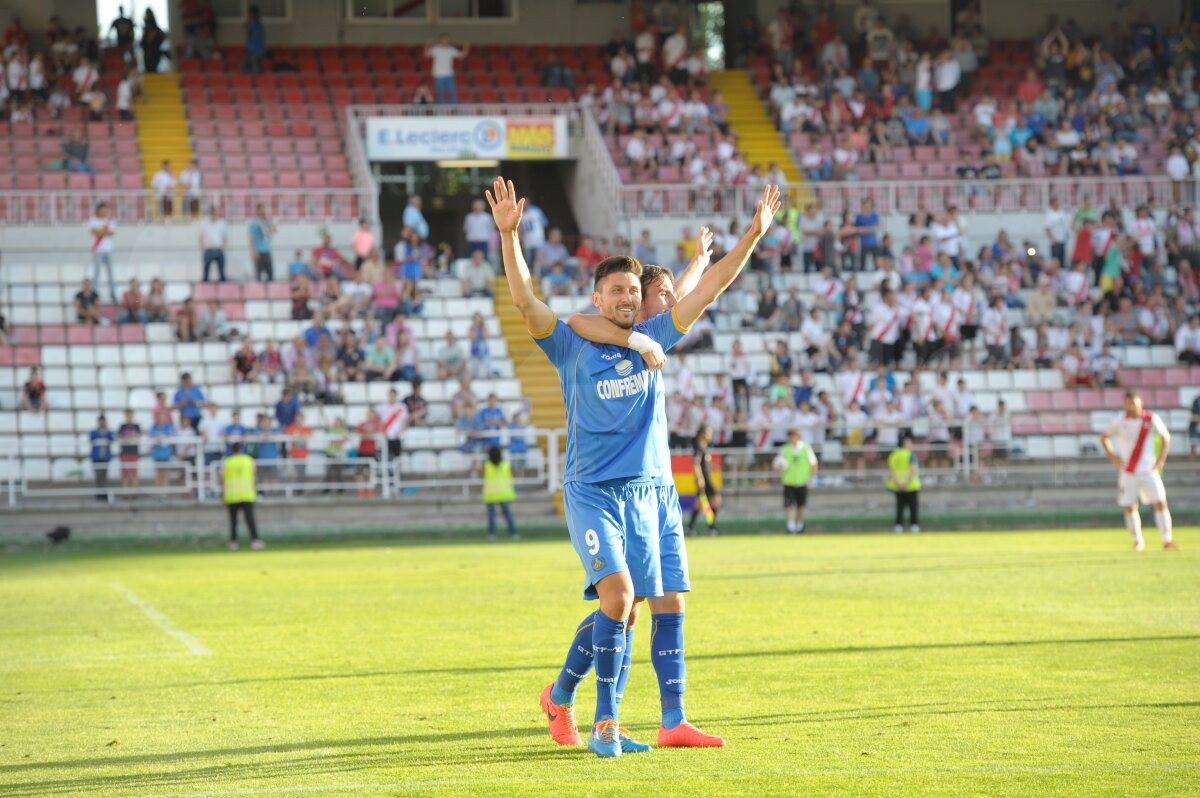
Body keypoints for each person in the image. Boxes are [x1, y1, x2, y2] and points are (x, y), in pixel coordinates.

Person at [489, 178, 776, 756]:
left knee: (657, 603)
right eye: (615, 290)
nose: (624, 297)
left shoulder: (653, 334)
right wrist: (510, 235)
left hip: (651, 494)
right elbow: (525, 300)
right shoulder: (571, 343)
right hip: (594, 491)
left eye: (630, 291)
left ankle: (639, 716)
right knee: (619, 601)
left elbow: (712, 286)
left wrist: (751, 235)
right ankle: (602, 722)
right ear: (598, 298)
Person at [1099, 391, 1177, 552]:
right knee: (1130, 506)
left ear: (1140, 402)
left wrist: (1161, 459)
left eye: (1133, 402)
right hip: (1128, 470)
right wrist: (1113, 457)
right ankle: (1137, 541)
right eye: (1127, 403)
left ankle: (1167, 540)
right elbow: (1104, 436)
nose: (1130, 406)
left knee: (1161, 502)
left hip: (1148, 470)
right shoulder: (1119, 421)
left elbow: (1165, 437)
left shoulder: (1151, 419)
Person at [775, 427, 819, 534]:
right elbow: (776, 465)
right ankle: (790, 526)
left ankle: (800, 525)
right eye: (790, 437)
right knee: (789, 505)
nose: (792, 439)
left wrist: (810, 478)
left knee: (801, 506)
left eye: (794, 436)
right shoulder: (785, 449)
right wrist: (781, 469)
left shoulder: (806, 448)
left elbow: (814, 464)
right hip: (789, 482)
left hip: (802, 482)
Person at [223, 442, 265, 550]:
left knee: (233, 521)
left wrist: (223, 492)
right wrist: (257, 490)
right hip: (247, 494)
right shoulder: (248, 460)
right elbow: (254, 475)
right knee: (250, 520)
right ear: (241, 449)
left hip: (232, 495)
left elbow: (222, 478)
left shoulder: (228, 461)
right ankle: (255, 541)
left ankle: (233, 542)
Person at [687, 426, 720, 536]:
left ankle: (691, 528)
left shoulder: (704, 447)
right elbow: (696, 464)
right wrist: (700, 479)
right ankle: (711, 528)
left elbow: (704, 464)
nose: (710, 435)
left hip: (706, 478)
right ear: (702, 434)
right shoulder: (698, 448)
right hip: (704, 480)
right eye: (709, 433)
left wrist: (713, 466)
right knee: (715, 501)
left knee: (700, 504)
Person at [483, 445, 519, 541]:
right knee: (508, 515)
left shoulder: (487, 465)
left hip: (491, 494)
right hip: (504, 493)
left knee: (492, 517)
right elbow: (510, 478)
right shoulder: (505, 465)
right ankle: (514, 534)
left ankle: (492, 534)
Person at [887, 433, 921, 533]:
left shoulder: (894, 455)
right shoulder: (911, 455)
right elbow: (913, 470)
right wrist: (906, 483)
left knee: (899, 508)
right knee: (913, 508)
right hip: (911, 486)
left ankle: (899, 526)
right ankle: (914, 525)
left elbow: (891, 471)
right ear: (905, 444)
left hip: (897, 486)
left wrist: (898, 483)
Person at [426, 33, 468, 105]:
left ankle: (454, 112)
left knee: (452, 93)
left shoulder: (451, 49)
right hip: (439, 75)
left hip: (449, 75)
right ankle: (440, 113)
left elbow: (462, 56)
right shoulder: (436, 49)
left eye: (447, 40)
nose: (445, 41)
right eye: (444, 39)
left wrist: (466, 47)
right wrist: (427, 45)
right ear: (440, 40)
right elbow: (426, 55)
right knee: (440, 95)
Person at [88, 202, 117, 302]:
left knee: (111, 272)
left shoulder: (110, 221)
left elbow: (112, 233)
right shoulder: (93, 220)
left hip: (108, 249)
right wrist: (105, 232)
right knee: (97, 272)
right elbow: (94, 232)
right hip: (98, 249)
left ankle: (113, 293)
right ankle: (94, 292)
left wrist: (101, 231)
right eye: (103, 210)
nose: (105, 212)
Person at [89, 414, 114, 502]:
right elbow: (91, 438)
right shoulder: (94, 432)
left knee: (104, 477)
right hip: (96, 458)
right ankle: (99, 494)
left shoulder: (108, 432)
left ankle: (104, 494)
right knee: (98, 476)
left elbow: (112, 438)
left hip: (105, 457)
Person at [248, 204, 275, 281]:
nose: (264, 211)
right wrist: (253, 251)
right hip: (258, 251)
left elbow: (274, 230)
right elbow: (250, 237)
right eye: (262, 210)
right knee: (258, 275)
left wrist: (269, 220)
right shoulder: (253, 222)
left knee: (270, 275)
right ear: (258, 211)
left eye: (264, 209)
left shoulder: (267, 220)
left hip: (267, 250)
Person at [117, 409, 141, 493]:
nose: (129, 417)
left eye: (130, 415)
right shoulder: (122, 426)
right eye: (127, 415)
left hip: (134, 452)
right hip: (125, 453)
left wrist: (127, 438)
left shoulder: (137, 426)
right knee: (125, 473)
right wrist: (131, 437)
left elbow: (138, 437)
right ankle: (126, 492)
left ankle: (134, 492)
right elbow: (120, 438)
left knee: (134, 473)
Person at [243, 5, 265, 74]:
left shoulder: (253, 23)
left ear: (252, 13)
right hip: (258, 49)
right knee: (252, 67)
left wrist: (248, 21)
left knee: (253, 68)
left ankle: (256, 82)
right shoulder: (259, 23)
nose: (248, 14)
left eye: (249, 13)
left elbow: (247, 30)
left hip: (253, 50)